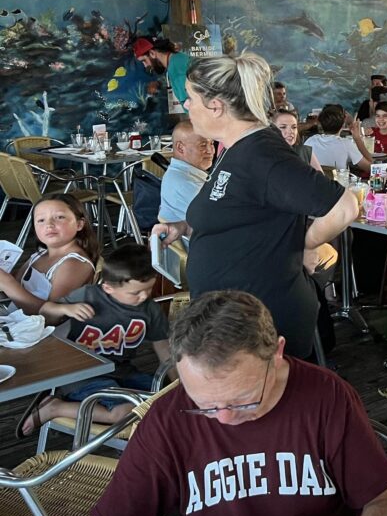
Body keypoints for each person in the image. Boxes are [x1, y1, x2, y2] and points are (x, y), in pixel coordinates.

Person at [71, 291, 387, 516]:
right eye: (206, 405)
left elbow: (384, 501)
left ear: (277, 352)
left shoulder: (327, 397)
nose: (225, 419)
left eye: (244, 400)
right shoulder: (168, 419)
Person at [152, 52, 358, 360]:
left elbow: (344, 207)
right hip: (230, 320)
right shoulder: (234, 148)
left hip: (259, 322)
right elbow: (237, 210)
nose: (186, 106)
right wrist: (182, 227)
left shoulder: (262, 155)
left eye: (190, 98)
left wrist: (303, 243)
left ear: (216, 107)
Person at [21, 244, 169, 436]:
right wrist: (65, 309)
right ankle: (55, 408)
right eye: (136, 293)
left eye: (148, 289)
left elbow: (164, 347)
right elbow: (44, 312)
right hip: (80, 374)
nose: (145, 296)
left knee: (167, 398)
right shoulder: (88, 295)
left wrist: (179, 384)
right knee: (123, 412)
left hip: (122, 372)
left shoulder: (150, 309)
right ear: (107, 287)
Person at [0, 194, 97, 317]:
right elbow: (14, 292)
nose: (49, 224)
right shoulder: (39, 255)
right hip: (17, 321)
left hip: (43, 332)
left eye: (59, 217)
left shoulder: (74, 264)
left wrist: (7, 282)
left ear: (79, 224)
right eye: (41, 220)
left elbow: (52, 317)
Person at [158, 120, 215, 222]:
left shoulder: (185, 174)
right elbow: (219, 218)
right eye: (203, 145)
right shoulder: (186, 183)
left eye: (212, 143)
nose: (210, 150)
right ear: (180, 148)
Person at [133, 36, 192, 116]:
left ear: (152, 53)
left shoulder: (176, 70)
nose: (145, 65)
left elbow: (194, 109)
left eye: (144, 60)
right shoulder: (178, 58)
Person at [305, 104, 369, 176]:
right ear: (343, 124)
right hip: (338, 186)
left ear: (320, 123)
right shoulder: (346, 144)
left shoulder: (310, 141)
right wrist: (357, 138)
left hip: (316, 185)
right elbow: (370, 168)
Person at [271, 105, 322, 171]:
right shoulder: (265, 155)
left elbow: (321, 180)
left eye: (294, 127)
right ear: (272, 130)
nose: (290, 131)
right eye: (283, 127)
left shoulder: (305, 152)